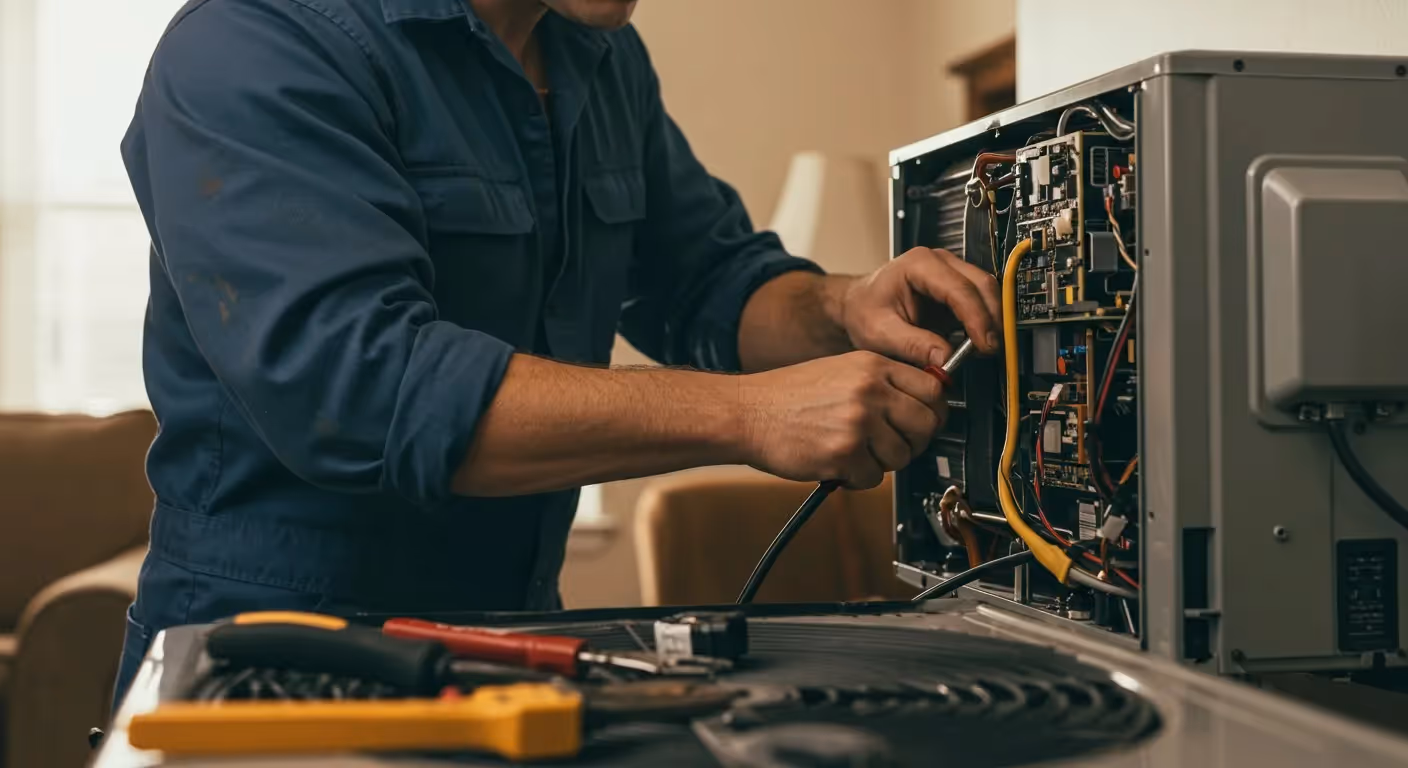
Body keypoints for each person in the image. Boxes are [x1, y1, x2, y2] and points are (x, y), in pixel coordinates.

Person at [112, 0, 1001, 706]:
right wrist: (751, 415)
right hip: (272, 662)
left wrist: (843, 305)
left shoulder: (602, 60)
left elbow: (705, 282)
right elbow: (368, 394)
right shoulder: (252, 41)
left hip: (513, 645)